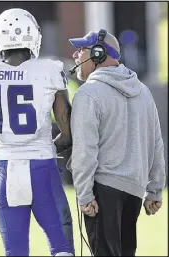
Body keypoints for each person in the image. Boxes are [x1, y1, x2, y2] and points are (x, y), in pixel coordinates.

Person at [0, 8, 74, 257]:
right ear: (32, 36)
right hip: (42, 167)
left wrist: (3, 148)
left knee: (15, 251)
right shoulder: (48, 69)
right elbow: (67, 132)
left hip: (4, 167)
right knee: (62, 248)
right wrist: (47, 147)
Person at [68, 29, 166, 256]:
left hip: (103, 191)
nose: (75, 56)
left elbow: (85, 151)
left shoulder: (88, 93)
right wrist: (155, 190)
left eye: (81, 50)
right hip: (134, 190)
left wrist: (84, 195)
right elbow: (156, 144)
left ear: (99, 53)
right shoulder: (143, 91)